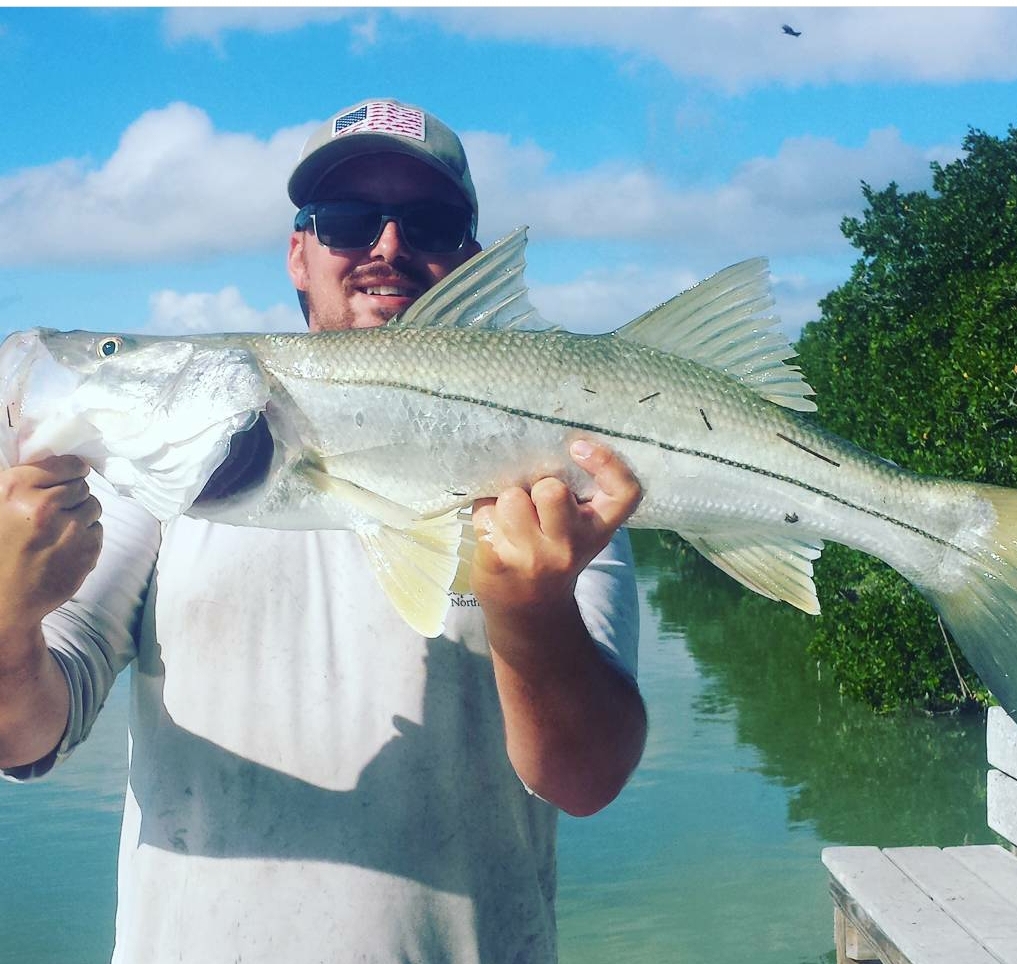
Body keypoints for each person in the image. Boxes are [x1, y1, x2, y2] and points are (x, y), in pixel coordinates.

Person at [0, 97, 647, 963]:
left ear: (472, 259)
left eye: (429, 221)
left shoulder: (551, 466)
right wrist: (8, 618)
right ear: (298, 254)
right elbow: (29, 735)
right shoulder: (157, 481)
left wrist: (534, 615)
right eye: (345, 220)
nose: (386, 247)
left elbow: (586, 781)